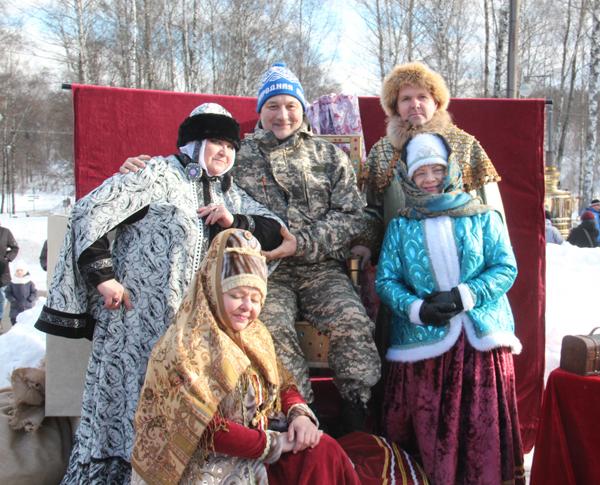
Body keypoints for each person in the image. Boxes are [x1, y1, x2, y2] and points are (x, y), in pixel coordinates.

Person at [121, 64, 381, 435]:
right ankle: (302, 420)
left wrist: (301, 243)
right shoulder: (237, 154)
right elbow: (191, 171)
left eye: (290, 105)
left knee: (352, 323)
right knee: (271, 332)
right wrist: (143, 168)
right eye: (272, 105)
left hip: (320, 267)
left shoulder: (328, 156)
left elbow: (352, 217)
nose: (282, 114)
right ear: (261, 110)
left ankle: (355, 420)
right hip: (262, 272)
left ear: (302, 109)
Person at [38, 103, 285, 485]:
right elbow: (91, 212)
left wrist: (232, 221)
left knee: (180, 412)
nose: (224, 151)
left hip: (194, 336)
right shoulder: (155, 174)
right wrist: (104, 278)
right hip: (139, 324)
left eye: (230, 145)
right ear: (193, 143)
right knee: (130, 409)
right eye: (215, 142)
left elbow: (276, 231)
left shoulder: (230, 193)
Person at [130, 229, 360, 485]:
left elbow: (283, 383)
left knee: (323, 450)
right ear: (213, 289)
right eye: (236, 296)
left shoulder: (256, 334)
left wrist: (300, 416)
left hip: (261, 448)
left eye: (255, 298)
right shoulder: (185, 347)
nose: (247, 307)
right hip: (210, 462)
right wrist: (275, 443)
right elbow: (204, 427)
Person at [375, 133, 524, 485]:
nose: (429, 181)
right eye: (420, 173)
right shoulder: (400, 225)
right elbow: (386, 281)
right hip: (421, 348)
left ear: (452, 170)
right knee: (427, 430)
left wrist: (464, 297)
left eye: (436, 170)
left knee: (480, 433)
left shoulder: (484, 217)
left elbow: (505, 268)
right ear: (408, 178)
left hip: (479, 345)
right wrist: (416, 309)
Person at [355, 61, 503, 269]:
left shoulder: (465, 145)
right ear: (396, 107)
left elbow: (489, 208)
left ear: (436, 102)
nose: (415, 104)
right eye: (406, 99)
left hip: (463, 263)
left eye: (422, 97)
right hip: (403, 264)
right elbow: (373, 211)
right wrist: (365, 243)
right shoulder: (381, 152)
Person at [5, 260, 38, 325]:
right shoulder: (12, 282)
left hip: (26, 307)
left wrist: (29, 299)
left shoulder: (29, 282)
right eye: (17, 271)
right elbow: (7, 292)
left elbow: (34, 292)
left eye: (21, 270)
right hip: (15, 308)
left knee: (25, 324)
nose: (19, 272)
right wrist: (12, 299)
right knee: (15, 324)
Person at [0, 222, 19, 321]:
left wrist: (7, 258)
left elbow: (15, 248)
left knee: (1, 298)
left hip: (2, 271)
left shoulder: (5, 232)